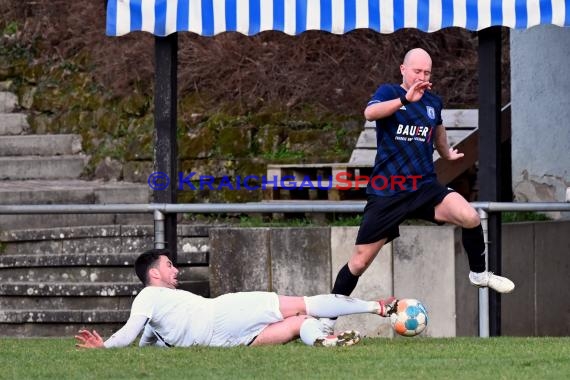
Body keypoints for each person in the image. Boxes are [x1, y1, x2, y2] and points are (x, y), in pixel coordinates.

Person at [325, 48, 515, 332]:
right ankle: (327, 318)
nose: (422, 77)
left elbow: (436, 128)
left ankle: (478, 273)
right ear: (403, 69)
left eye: (427, 73)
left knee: (470, 216)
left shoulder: (433, 102)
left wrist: (446, 152)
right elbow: (369, 112)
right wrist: (404, 99)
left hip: (424, 186)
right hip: (388, 191)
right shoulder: (390, 92)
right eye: (417, 71)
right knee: (359, 262)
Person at [75, 249, 398, 349]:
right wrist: (105, 348)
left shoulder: (159, 313)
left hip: (225, 343)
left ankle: (322, 342)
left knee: (301, 323)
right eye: (169, 265)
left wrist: (112, 350)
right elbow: (131, 330)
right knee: (304, 304)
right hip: (225, 312)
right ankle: (379, 307)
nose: (176, 271)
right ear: (154, 274)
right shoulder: (149, 294)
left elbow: (144, 342)